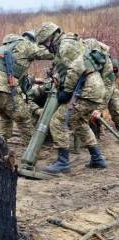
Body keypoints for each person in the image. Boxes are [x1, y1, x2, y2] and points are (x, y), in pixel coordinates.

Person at [35, 22, 107, 174]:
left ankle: (63, 162)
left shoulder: (65, 46)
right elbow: (68, 70)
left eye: (45, 43)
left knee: (57, 121)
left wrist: (66, 92)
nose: (47, 47)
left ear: (51, 38)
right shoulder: (68, 43)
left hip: (86, 89)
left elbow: (75, 69)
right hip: (93, 88)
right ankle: (97, 158)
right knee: (78, 122)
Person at [0, 30, 53, 144]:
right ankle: (31, 152)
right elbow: (46, 53)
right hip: (3, 87)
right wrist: (58, 48)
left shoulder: (7, 46)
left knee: (6, 118)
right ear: (32, 41)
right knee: (24, 117)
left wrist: (34, 80)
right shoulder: (26, 44)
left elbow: (13, 71)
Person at [91, 58, 119, 130]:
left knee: (116, 108)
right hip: (95, 89)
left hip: (109, 87)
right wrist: (99, 109)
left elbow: (110, 86)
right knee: (94, 112)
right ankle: (95, 132)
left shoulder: (113, 64)